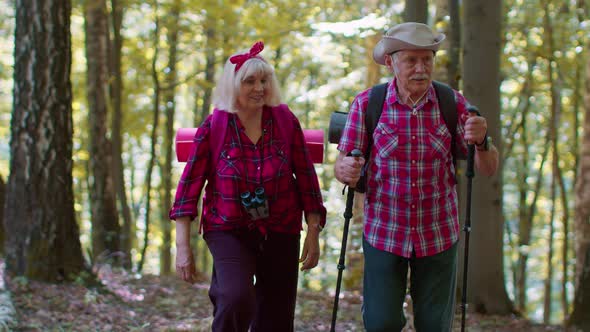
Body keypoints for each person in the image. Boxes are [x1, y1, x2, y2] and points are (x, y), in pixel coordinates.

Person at [334, 22, 499, 331]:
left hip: (437, 233)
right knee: (381, 323)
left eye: (427, 59)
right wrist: (344, 170)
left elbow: (488, 167)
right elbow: (343, 162)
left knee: (434, 326)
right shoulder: (369, 103)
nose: (421, 68)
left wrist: (483, 140)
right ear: (390, 62)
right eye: (411, 60)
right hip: (384, 231)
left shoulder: (453, 104)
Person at [169, 41, 326, 332]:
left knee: (277, 317)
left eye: (264, 80)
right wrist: (182, 247)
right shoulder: (216, 125)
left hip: (281, 225)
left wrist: (313, 231)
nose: (259, 88)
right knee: (236, 298)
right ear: (232, 85)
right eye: (250, 81)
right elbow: (188, 190)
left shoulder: (285, 121)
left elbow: (306, 180)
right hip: (228, 226)